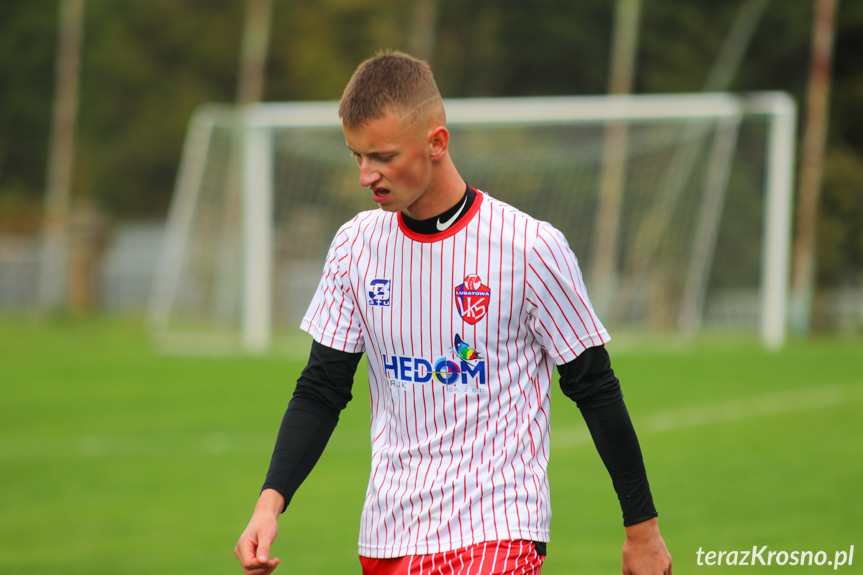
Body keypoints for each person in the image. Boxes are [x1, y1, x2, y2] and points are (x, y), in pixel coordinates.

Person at [235, 50, 672, 575]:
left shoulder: (529, 248)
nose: (365, 175)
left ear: (436, 143)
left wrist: (641, 529)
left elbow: (595, 388)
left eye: (383, 156)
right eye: (357, 156)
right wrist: (269, 503)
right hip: (388, 533)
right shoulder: (355, 246)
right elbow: (321, 388)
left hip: (496, 534)